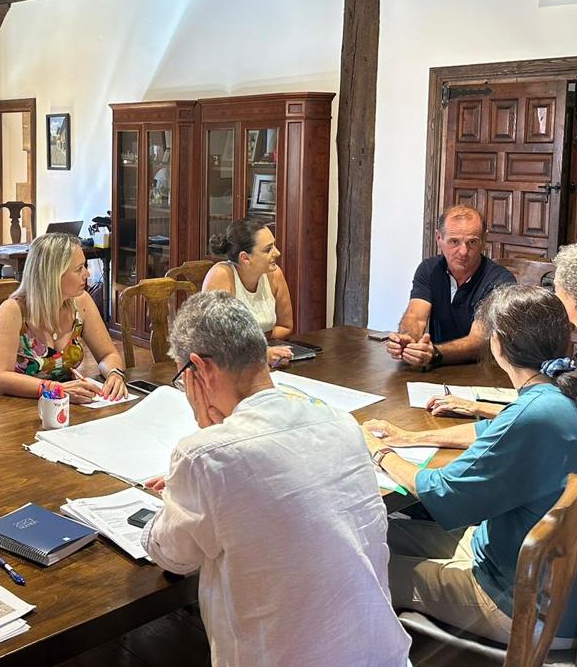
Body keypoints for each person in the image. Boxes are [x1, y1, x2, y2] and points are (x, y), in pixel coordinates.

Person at [142, 291, 411, 667]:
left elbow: (171, 555)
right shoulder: (342, 423)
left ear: (199, 370)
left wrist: (176, 492)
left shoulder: (206, 456)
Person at [364, 285, 577, 646]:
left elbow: (444, 492)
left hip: (526, 603)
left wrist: (380, 452)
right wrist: (407, 438)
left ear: (498, 345)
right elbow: (494, 429)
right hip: (551, 575)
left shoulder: (534, 414)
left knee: (360, 568)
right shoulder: (571, 392)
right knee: (374, 529)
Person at [428, 241, 577, 526]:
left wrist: (479, 407)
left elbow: (564, 415)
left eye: (557, 287)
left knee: (505, 490)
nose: (554, 295)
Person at [0, 232, 127, 404]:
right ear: (53, 275)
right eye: (79, 269)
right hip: (19, 406)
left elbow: (108, 354)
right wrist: (56, 388)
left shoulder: (81, 302)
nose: (87, 274)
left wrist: (114, 373)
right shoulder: (13, 310)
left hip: (67, 405)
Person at [387, 205, 515, 368]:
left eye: (472, 242)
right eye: (454, 241)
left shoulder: (500, 280)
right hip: (436, 367)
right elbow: (415, 317)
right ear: (438, 238)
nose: (463, 251)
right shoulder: (429, 269)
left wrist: (434, 353)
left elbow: (479, 342)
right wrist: (407, 340)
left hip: (483, 371)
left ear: (484, 240)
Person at [202, 217, 294, 366]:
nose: (277, 253)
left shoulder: (275, 275)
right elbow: (216, 339)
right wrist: (260, 352)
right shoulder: (221, 276)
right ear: (245, 258)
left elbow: (286, 326)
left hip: (260, 362)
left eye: (274, 246)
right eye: (268, 249)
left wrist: (256, 346)